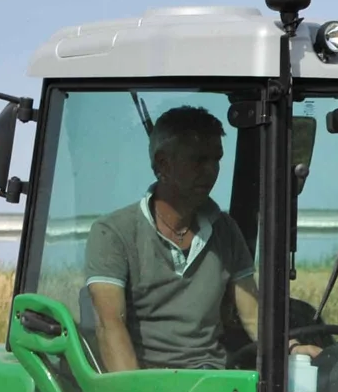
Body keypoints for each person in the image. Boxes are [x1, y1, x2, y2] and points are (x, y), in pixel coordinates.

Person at [82, 105, 259, 372]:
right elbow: (110, 326)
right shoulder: (114, 233)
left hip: (212, 382)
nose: (211, 170)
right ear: (163, 164)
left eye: (216, 159)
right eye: (199, 160)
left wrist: (291, 349)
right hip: (150, 385)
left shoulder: (225, 230)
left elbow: (253, 314)